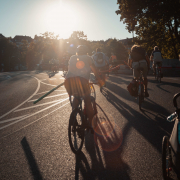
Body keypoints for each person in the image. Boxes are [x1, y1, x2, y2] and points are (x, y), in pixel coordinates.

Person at [64, 45, 104, 128]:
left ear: (77, 51)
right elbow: (94, 69)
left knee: (76, 97)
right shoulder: (88, 58)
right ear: (86, 51)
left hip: (69, 81)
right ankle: (92, 124)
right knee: (88, 101)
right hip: (82, 81)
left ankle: (74, 116)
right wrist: (98, 79)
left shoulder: (72, 57)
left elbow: (70, 69)